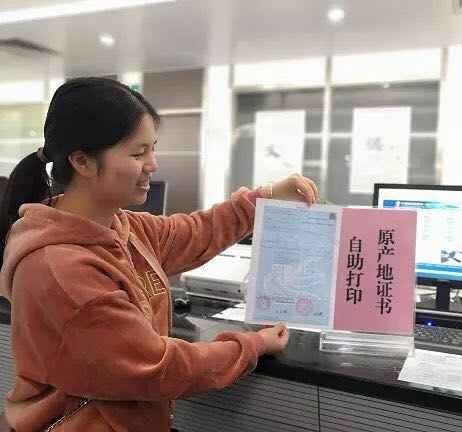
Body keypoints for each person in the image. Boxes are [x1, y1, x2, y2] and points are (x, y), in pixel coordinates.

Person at [0, 77, 319, 431]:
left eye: (152, 149)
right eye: (138, 153)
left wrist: (266, 198)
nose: (152, 164)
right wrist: (252, 345)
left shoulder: (122, 227)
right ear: (82, 161)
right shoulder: (59, 268)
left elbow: (195, 232)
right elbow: (157, 367)